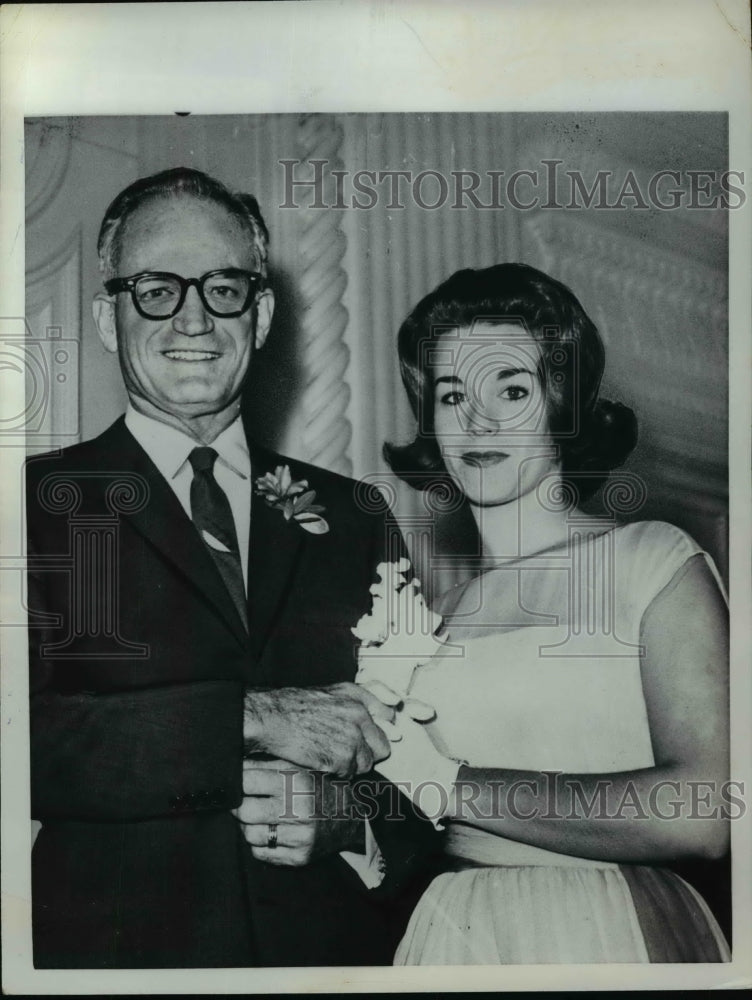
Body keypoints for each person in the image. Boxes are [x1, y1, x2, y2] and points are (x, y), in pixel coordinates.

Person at [26, 167, 439, 969]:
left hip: (332, 963)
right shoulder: (33, 503)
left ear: (262, 313)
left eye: (223, 288)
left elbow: (436, 759)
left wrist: (351, 820)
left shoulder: (355, 516)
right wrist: (247, 717)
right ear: (109, 320)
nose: (193, 318)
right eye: (155, 289)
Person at [381, 262, 731, 964]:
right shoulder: (426, 617)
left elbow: (704, 811)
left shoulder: (652, 560)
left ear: (562, 402)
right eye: (453, 395)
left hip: (608, 926)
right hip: (455, 936)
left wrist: (452, 785)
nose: (478, 419)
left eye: (511, 389)